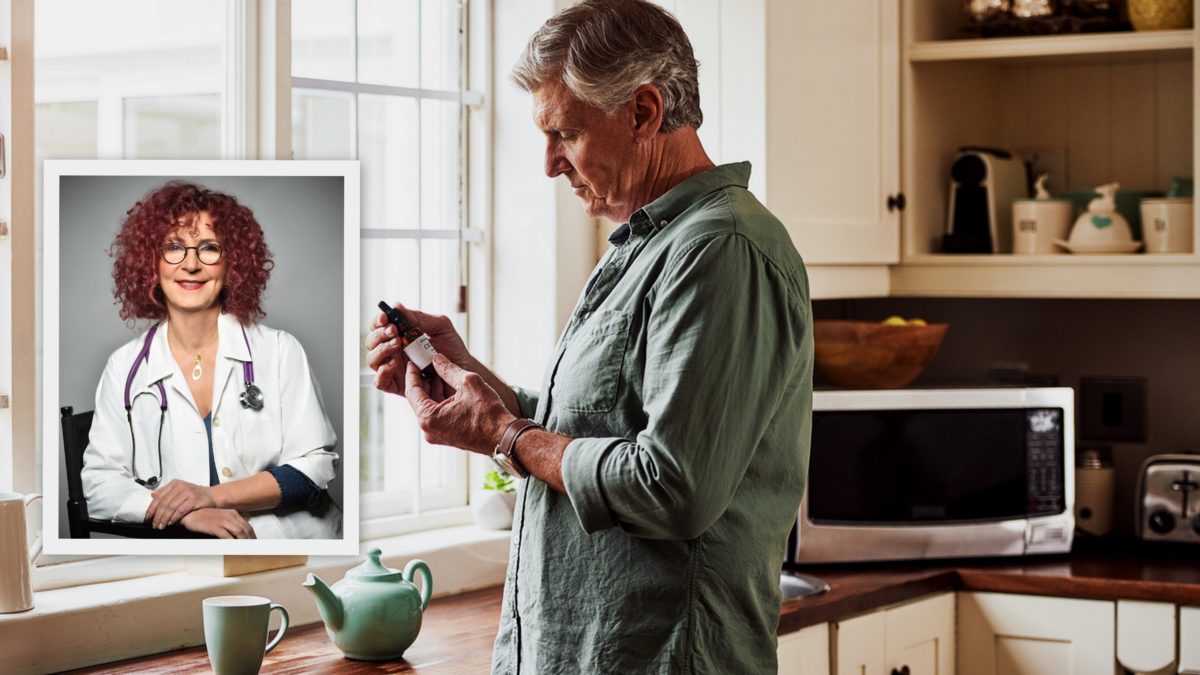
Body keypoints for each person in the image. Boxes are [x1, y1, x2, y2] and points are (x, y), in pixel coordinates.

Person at [366, 0, 812, 671]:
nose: (550, 164)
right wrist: (470, 380)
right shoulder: (644, 245)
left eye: (566, 134)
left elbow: (671, 486)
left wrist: (505, 435)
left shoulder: (720, 250)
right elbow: (590, 429)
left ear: (644, 112)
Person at [82, 181, 341, 540]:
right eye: (174, 247)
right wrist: (187, 515)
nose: (191, 264)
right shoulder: (123, 368)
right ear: (150, 263)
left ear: (233, 263)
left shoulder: (280, 351)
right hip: (190, 553)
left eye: (208, 248)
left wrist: (209, 497)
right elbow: (100, 485)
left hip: (292, 543)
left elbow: (314, 468)